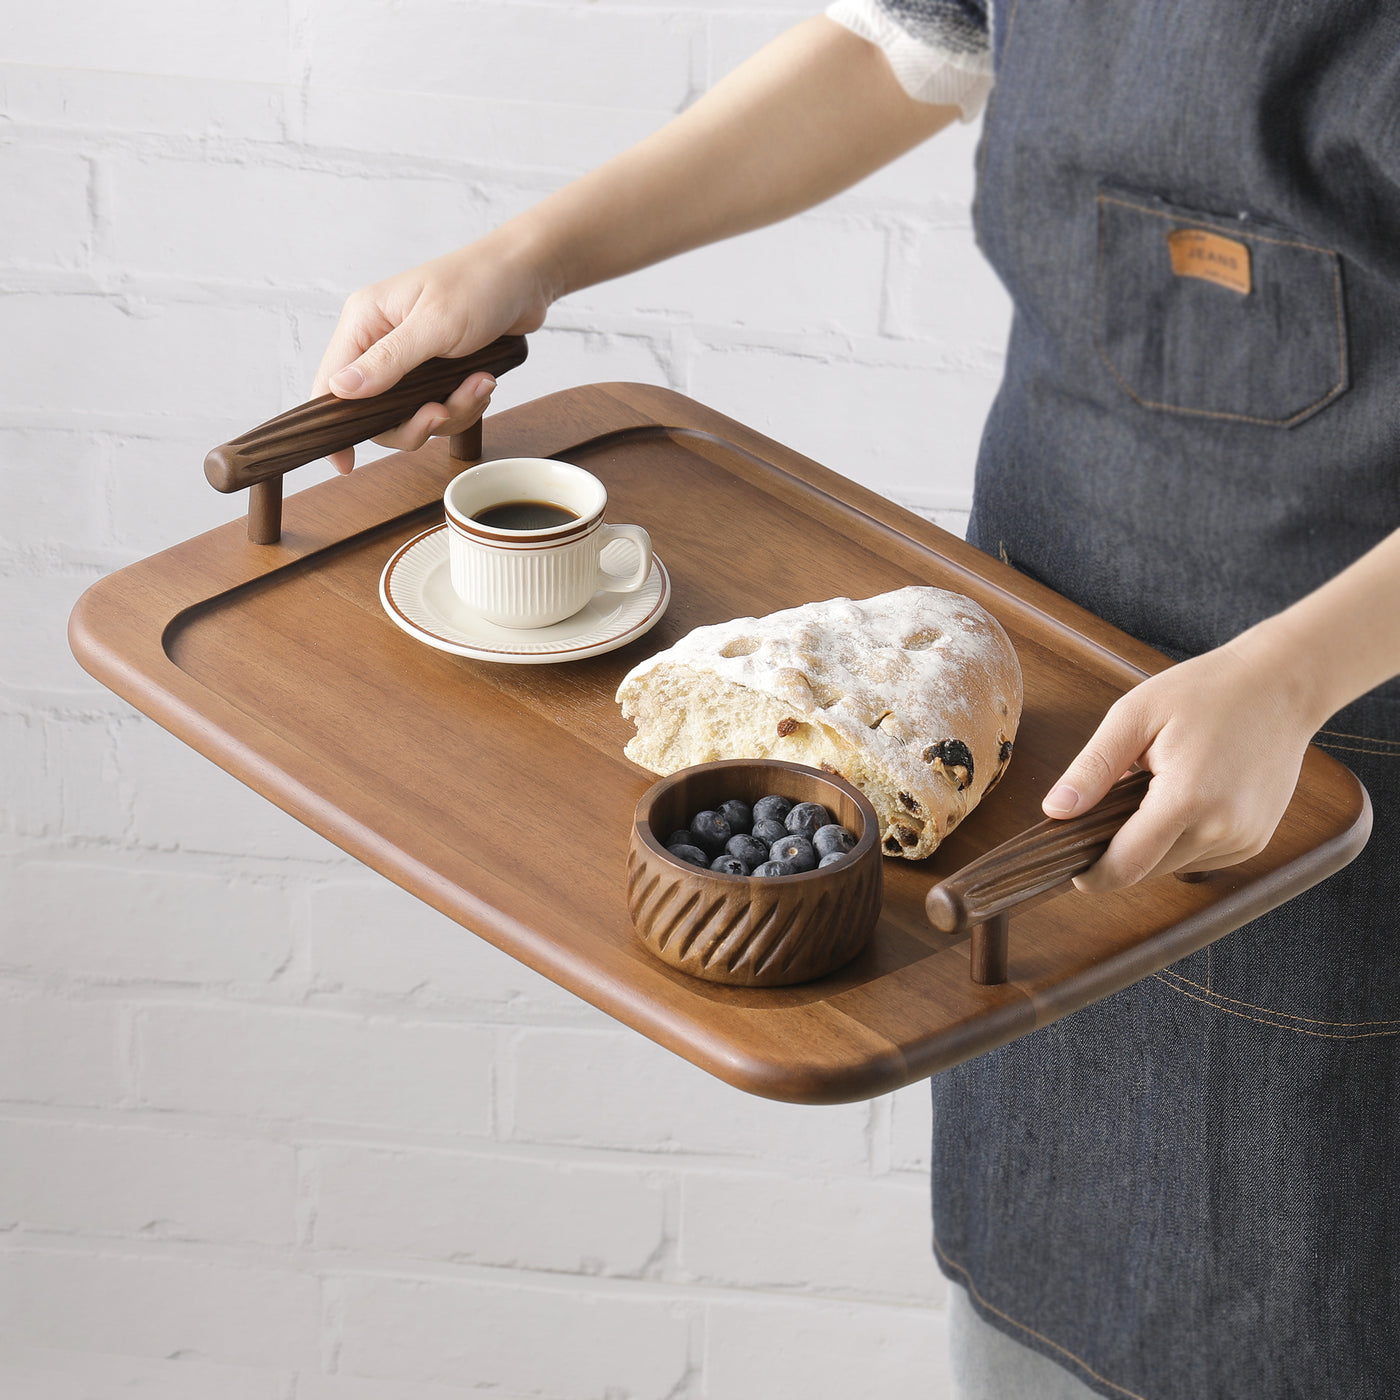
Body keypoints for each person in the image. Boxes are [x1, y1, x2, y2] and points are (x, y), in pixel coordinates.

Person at [314, 3, 1400, 1395]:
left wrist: (1296, 672)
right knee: (1041, 1321)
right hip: (1042, 672)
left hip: (1340, 724)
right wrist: (528, 258)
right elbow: (912, 42)